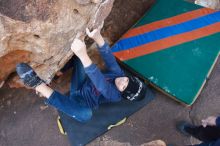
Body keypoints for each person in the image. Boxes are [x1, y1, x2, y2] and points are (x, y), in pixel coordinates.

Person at [16, 24, 147, 123]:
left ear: (122, 93)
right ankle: (58, 71)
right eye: (127, 80)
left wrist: (84, 54)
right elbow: (110, 59)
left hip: (82, 101)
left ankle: (38, 85)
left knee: (85, 115)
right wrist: (98, 37)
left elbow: (101, 85)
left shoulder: (115, 95)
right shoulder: (120, 74)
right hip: (81, 85)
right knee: (80, 59)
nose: (122, 81)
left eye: (123, 87)